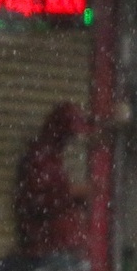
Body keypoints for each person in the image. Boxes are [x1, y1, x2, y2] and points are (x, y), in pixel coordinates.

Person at [14, 103, 91, 260]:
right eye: (68, 135)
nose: (70, 142)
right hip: (46, 248)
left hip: (58, 248)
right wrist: (71, 193)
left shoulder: (53, 158)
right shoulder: (39, 159)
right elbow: (35, 202)